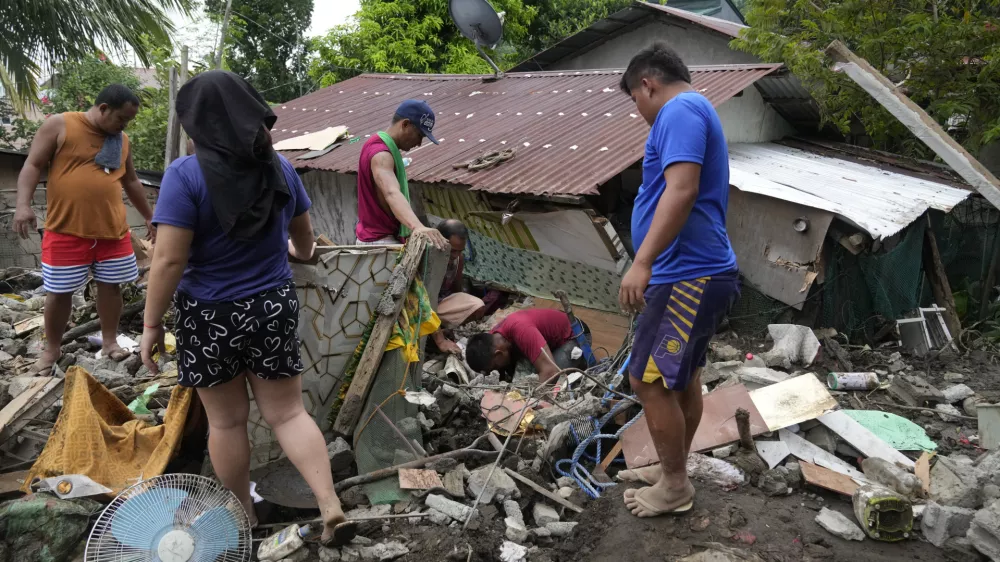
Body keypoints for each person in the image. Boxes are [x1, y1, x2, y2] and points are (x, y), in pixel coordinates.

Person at [139, 71, 353, 544]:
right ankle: (329, 504)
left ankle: (244, 519)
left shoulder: (184, 175)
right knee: (289, 415)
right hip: (272, 307)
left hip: (209, 315)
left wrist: (152, 323)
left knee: (227, 421)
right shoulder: (280, 168)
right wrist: (294, 255)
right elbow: (305, 244)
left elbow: (170, 258)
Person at [615, 43, 741, 518]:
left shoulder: (680, 108)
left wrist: (642, 262)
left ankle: (674, 486)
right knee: (681, 378)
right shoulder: (695, 109)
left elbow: (682, 188)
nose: (639, 112)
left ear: (647, 84)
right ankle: (674, 470)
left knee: (647, 381)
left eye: (635, 100)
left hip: (685, 273)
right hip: (697, 271)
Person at [12, 84, 154, 375]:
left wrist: (151, 217)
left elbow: (132, 182)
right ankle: (52, 349)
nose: (124, 126)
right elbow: (33, 164)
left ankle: (110, 341)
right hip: (66, 229)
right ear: (103, 109)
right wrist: (22, 205)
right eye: (121, 119)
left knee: (111, 288)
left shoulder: (121, 139)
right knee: (58, 292)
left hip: (112, 231)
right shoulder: (60, 124)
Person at [355, 99, 447, 249]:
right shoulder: (381, 154)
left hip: (378, 238)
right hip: (381, 242)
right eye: (419, 135)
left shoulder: (380, 146)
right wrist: (417, 226)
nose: (419, 143)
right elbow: (391, 193)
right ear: (405, 124)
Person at [465, 308, 585, 383]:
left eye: (495, 367)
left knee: (554, 380)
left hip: (574, 335)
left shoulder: (522, 331)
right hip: (545, 340)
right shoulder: (492, 339)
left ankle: (583, 363)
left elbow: (551, 372)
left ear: (498, 353)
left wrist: (523, 400)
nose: (496, 371)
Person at [430, 219, 486, 355]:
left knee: (477, 306)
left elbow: (457, 288)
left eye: (459, 251)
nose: (455, 255)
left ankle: (443, 329)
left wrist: (459, 315)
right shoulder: (429, 258)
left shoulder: (458, 259)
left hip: (441, 303)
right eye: (452, 250)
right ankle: (433, 336)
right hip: (422, 306)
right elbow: (422, 300)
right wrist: (440, 341)